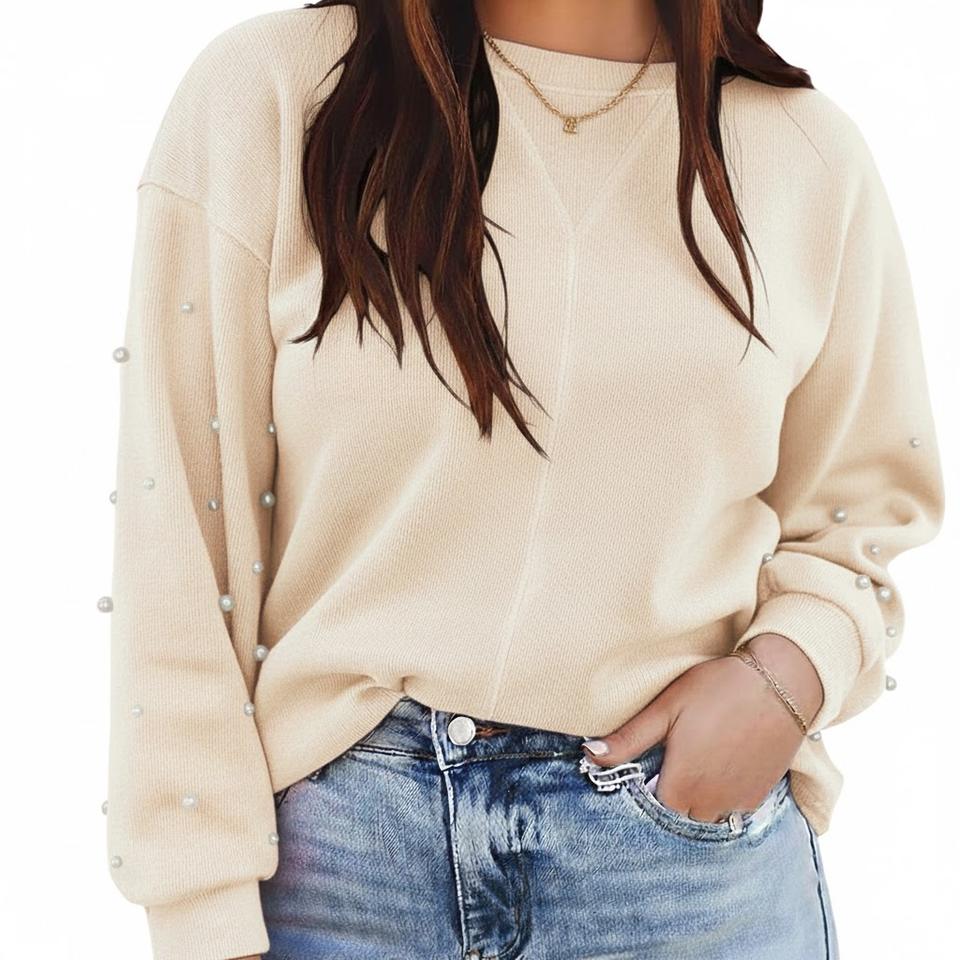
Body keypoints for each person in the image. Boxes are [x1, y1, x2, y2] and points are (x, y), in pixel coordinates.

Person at [101, 1, 946, 958]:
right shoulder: (278, 92)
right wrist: (199, 910)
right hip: (339, 872)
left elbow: (862, 507)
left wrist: (783, 678)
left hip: (685, 865)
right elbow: (183, 531)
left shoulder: (804, 154)